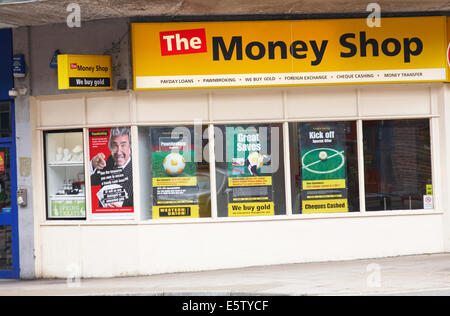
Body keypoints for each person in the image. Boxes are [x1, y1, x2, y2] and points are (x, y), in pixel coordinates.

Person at [90, 127, 133, 208]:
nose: (118, 152)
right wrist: (92, 164)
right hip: (104, 217)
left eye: (123, 145)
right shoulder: (109, 161)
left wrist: (122, 209)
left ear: (130, 147)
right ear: (110, 147)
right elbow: (90, 181)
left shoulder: (136, 168)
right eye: (115, 145)